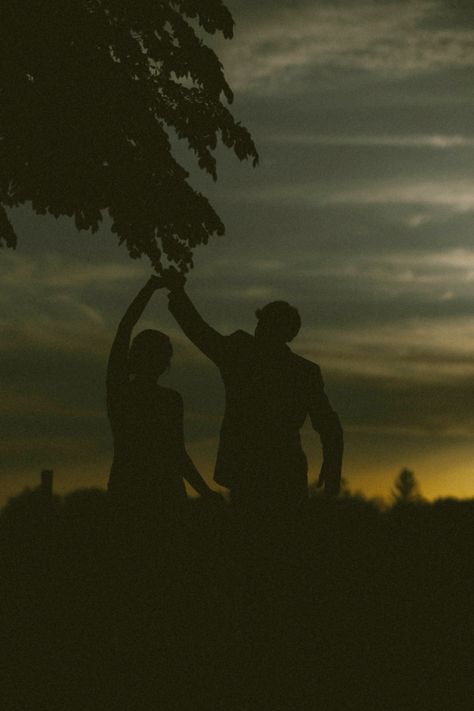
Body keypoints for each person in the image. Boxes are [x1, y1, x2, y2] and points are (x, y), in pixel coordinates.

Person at [160, 269, 343, 519]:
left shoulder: (242, 355)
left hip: (254, 471)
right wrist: (332, 465)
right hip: (277, 472)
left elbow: (200, 333)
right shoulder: (301, 371)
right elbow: (328, 423)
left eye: (264, 323)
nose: (259, 328)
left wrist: (178, 293)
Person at [106, 275, 219, 526]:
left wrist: (149, 288)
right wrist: (205, 492)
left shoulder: (122, 392)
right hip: (158, 494)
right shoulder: (161, 398)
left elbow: (124, 328)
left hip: (133, 490)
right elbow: (178, 455)